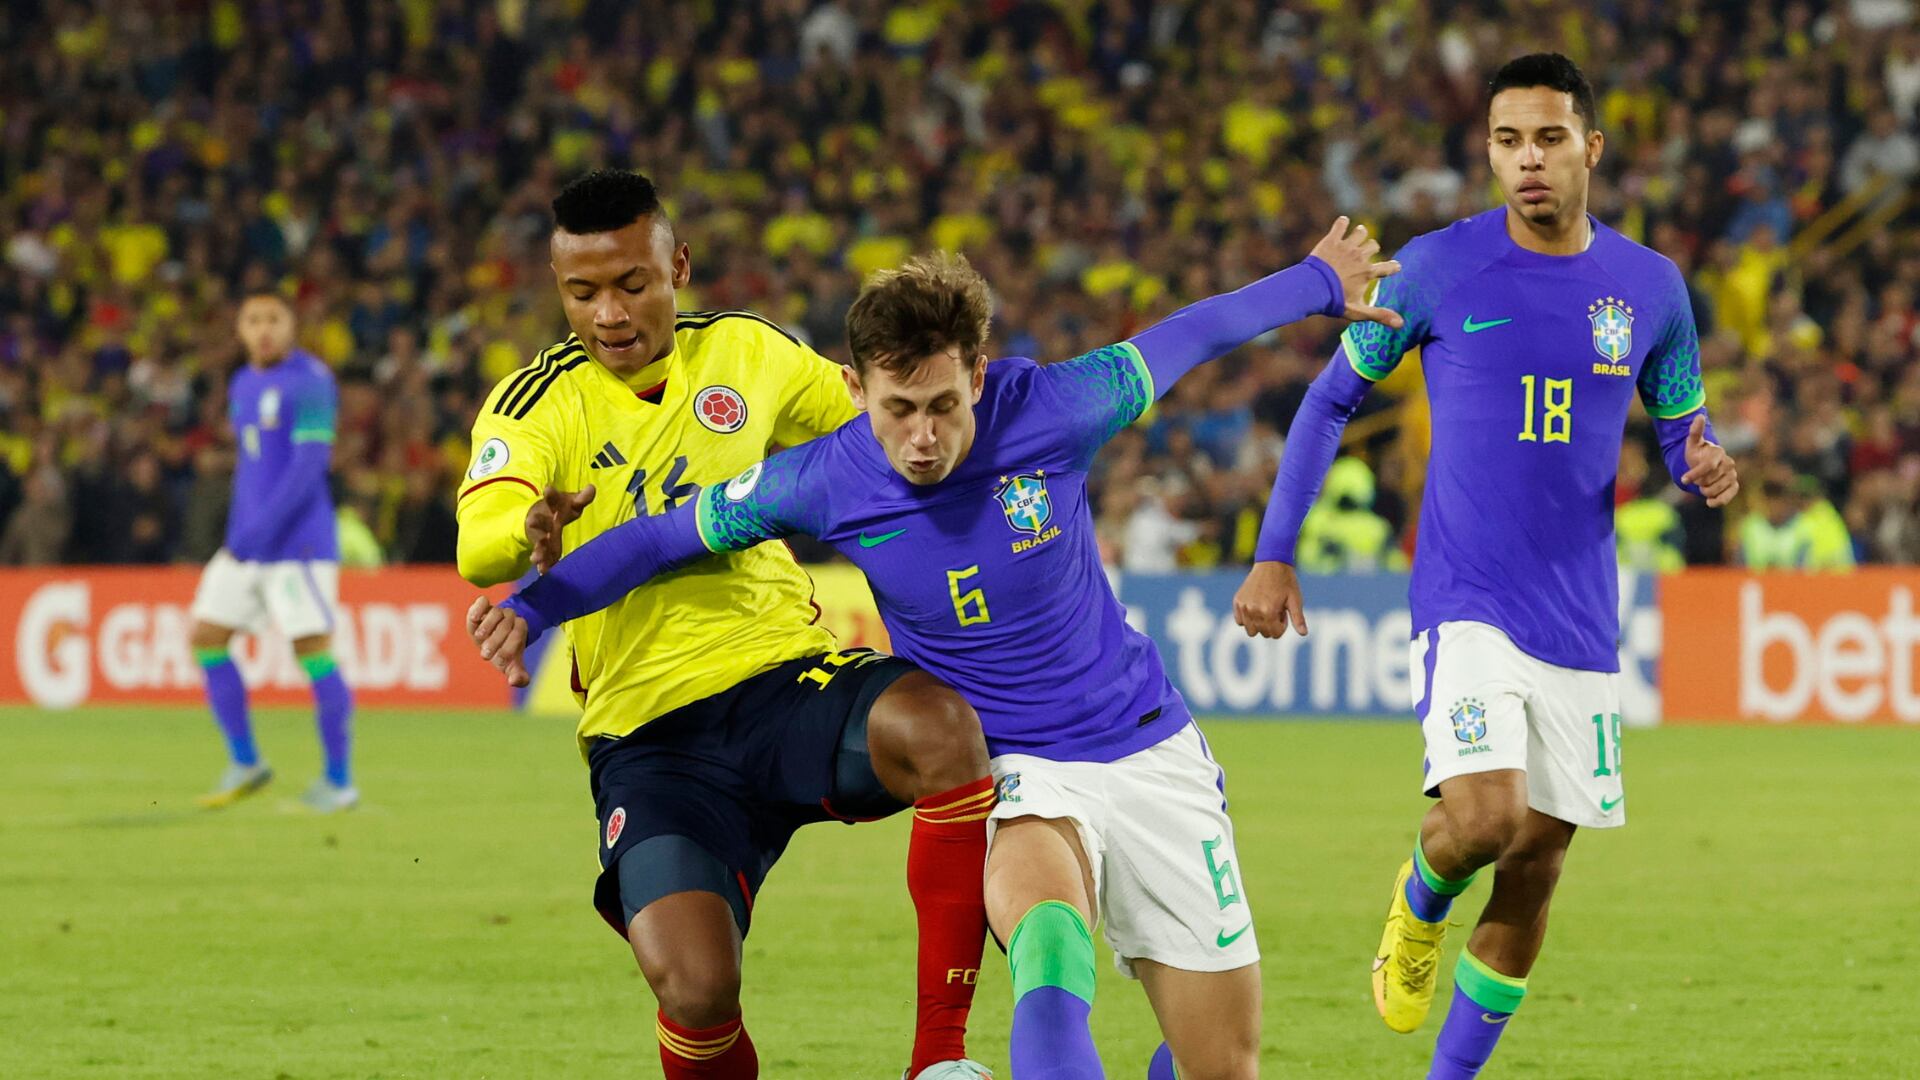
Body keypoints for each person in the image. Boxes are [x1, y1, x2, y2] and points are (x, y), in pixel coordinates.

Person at [468, 219, 1400, 1079]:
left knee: (1221, 1067)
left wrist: (1318, 280)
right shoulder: (823, 477)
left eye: (944, 407)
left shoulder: (1058, 409)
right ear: (854, 391)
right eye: (898, 408)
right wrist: (535, 606)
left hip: (1150, 747)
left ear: (980, 378)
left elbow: (1194, 335)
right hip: (1019, 767)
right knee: (1049, 950)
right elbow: (662, 538)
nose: (921, 438)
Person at [1232, 54, 1740, 1079]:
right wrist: (1274, 553)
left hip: (1582, 616)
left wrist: (1704, 458)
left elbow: (1683, 419)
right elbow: (1329, 400)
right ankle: (1419, 898)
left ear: (1591, 149)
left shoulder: (1650, 288)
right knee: (1486, 818)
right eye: (1508, 142)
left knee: (1539, 860)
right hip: (1467, 600)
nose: (1528, 161)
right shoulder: (1435, 269)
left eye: (1549, 139)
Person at [453, 169, 993, 1080]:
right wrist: (526, 529)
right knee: (697, 989)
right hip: (652, 736)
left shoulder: (750, 352)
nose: (609, 313)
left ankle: (938, 1062)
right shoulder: (534, 403)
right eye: (582, 292)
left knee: (943, 731)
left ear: (680, 267)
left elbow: (885, 424)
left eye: (632, 284)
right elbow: (481, 544)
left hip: (785, 680)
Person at [191, 292, 357, 812]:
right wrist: (240, 532)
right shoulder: (242, 383)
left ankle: (338, 780)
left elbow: (309, 468)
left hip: (297, 548)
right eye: (253, 319)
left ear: (292, 326)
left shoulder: (311, 380)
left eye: (274, 319)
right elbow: (253, 467)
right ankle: (246, 760)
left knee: (313, 652)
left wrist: (260, 533)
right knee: (206, 638)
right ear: (239, 328)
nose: (264, 329)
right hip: (246, 544)